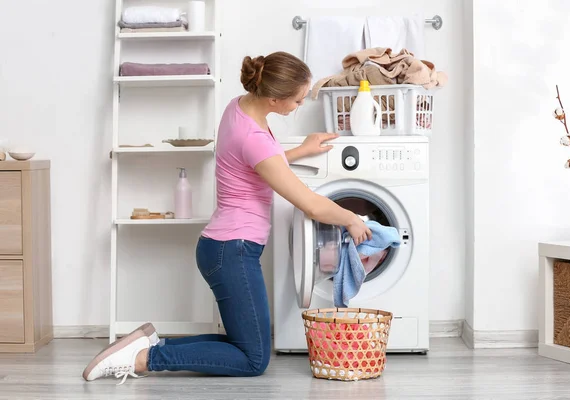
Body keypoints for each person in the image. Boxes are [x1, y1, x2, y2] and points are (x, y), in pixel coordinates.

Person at [82, 51, 372, 384]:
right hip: (232, 250)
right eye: (297, 101)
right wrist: (350, 217)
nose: (299, 106)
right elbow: (310, 204)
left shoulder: (239, 108)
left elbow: (258, 164)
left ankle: (148, 344)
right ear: (275, 99)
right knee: (253, 359)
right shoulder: (254, 138)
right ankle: (146, 358)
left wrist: (301, 151)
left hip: (224, 247)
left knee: (247, 347)